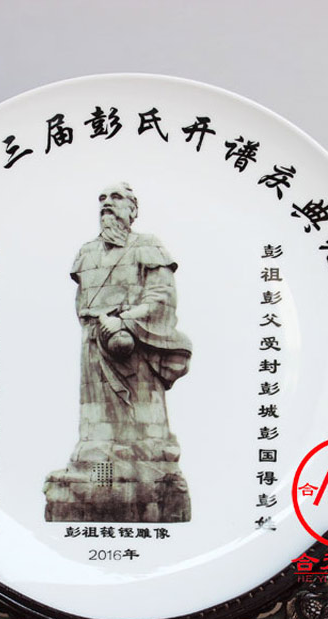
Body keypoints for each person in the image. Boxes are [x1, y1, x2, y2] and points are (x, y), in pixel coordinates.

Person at [43, 182, 192, 522]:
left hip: (134, 345)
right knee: (96, 424)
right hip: (95, 345)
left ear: (133, 209)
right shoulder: (87, 252)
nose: (106, 204)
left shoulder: (147, 246)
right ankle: (97, 472)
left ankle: (151, 472)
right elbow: (82, 304)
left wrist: (123, 320)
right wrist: (100, 323)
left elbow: (162, 298)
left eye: (115, 198)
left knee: (142, 423)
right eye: (102, 198)